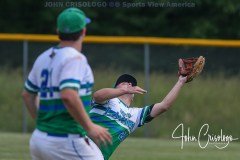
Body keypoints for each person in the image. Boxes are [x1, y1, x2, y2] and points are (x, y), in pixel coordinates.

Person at [22, 8, 111, 160]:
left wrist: (44, 126)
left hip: (39, 139)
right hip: (65, 141)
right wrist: (90, 127)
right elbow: (68, 95)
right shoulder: (75, 58)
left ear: (58, 31)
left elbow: (27, 95)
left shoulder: (43, 57)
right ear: (83, 31)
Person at [89, 74, 187, 160]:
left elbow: (164, 105)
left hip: (98, 156)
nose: (127, 86)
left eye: (128, 85)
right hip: (83, 143)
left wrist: (181, 82)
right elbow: (97, 95)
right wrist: (124, 90)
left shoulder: (136, 115)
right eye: (123, 84)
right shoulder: (109, 100)